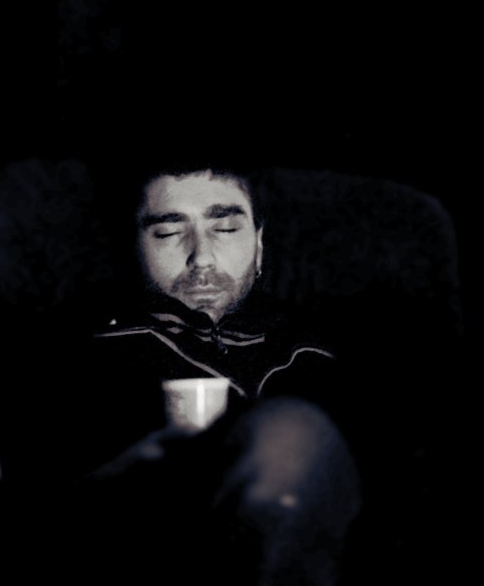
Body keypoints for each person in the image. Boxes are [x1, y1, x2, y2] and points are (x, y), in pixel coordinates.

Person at [57, 161, 462, 586]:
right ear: (134, 246)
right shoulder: (85, 351)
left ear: (259, 243)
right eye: (168, 233)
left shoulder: (323, 348)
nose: (202, 257)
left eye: (225, 229)